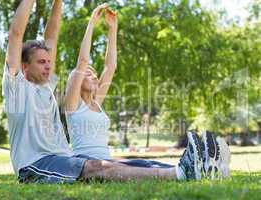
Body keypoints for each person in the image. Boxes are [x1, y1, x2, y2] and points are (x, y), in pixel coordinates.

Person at [3, 0, 207, 184]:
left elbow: (52, 34)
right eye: (41, 62)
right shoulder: (17, 88)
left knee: (129, 163)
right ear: (24, 67)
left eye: (49, 61)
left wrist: (58, 2)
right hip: (35, 165)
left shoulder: (46, 87)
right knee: (97, 168)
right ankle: (179, 174)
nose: (48, 66)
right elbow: (16, 33)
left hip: (64, 158)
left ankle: (198, 166)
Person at [64, 4, 231, 179]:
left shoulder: (97, 101)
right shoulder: (74, 105)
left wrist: (113, 29)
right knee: (141, 167)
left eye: (95, 75)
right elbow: (82, 61)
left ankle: (207, 165)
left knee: (147, 163)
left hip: (106, 160)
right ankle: (189, 171)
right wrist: (92, 23)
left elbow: (110, 66)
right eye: (88, 74)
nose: (95, 77)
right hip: (86, 164)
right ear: (75, 80)